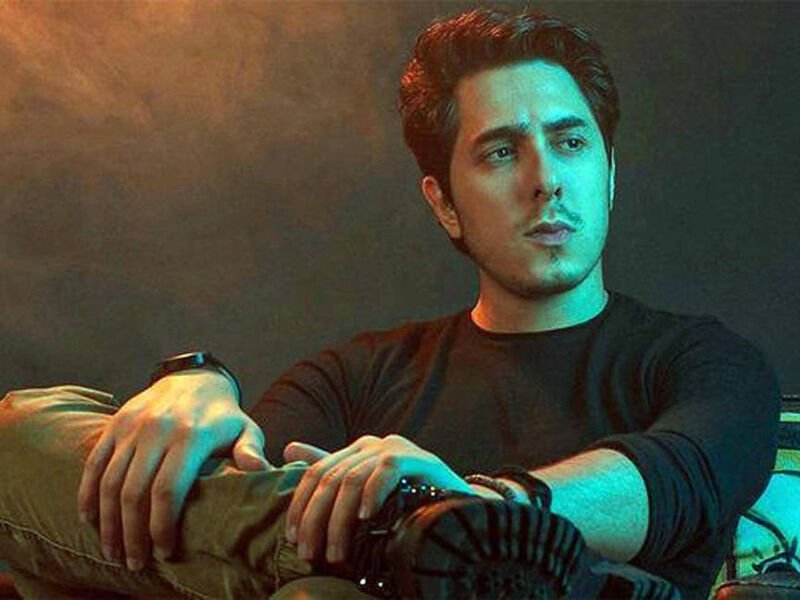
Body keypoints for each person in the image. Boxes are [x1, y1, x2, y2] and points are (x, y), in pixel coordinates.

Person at [0, 7, 780, 600]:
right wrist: (199, 381)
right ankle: (398, 539)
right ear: (444, 205)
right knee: (21, 432)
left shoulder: (709, 363)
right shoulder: (355, 375)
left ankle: (419, 537)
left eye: (570, 143)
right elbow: (226, 504)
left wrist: (476, 505)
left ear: (609, 173)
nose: (545, 180)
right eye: (501, 151)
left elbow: (676, 480)